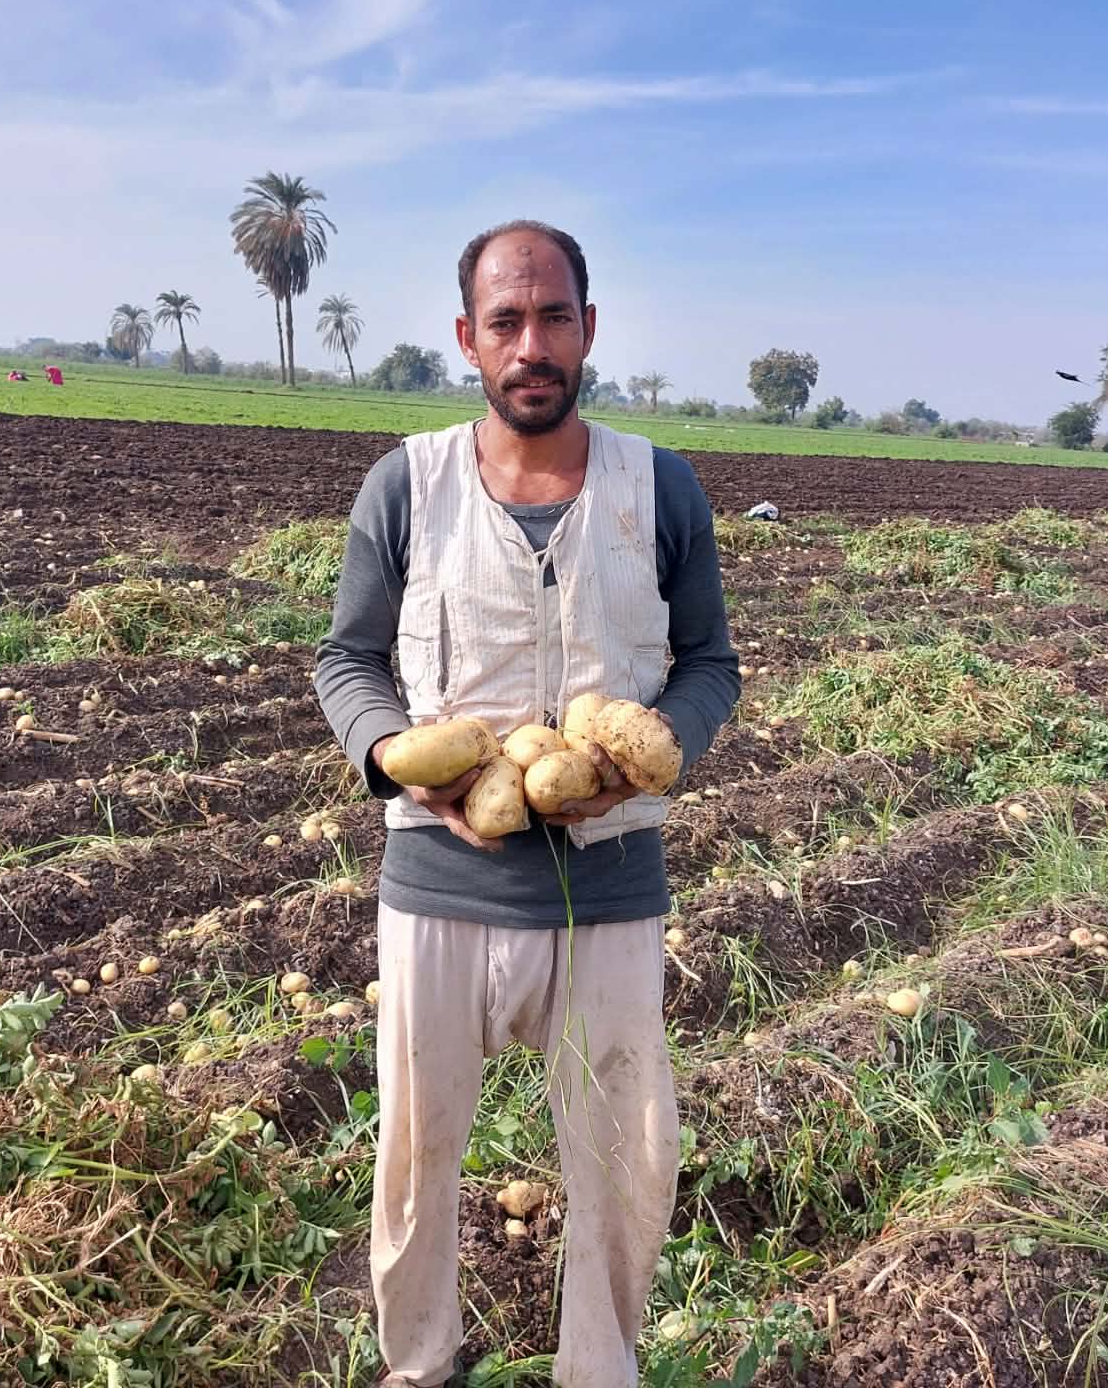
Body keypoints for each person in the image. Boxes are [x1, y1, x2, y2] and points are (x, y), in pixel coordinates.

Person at [313, 220, 739, 1388]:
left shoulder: (660, 489)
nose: (531, 344)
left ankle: (597, 1370)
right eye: (505, 320)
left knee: (622, 1155)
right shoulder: (407, 484)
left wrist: (655, 756)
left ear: (588, 328)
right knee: (415, 1155)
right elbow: (344, 661)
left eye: (554, 316)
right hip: (438, 881)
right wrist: (395, 752)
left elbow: (708, 665)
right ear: (467, 339)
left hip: (606, 886)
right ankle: (419, 1368)